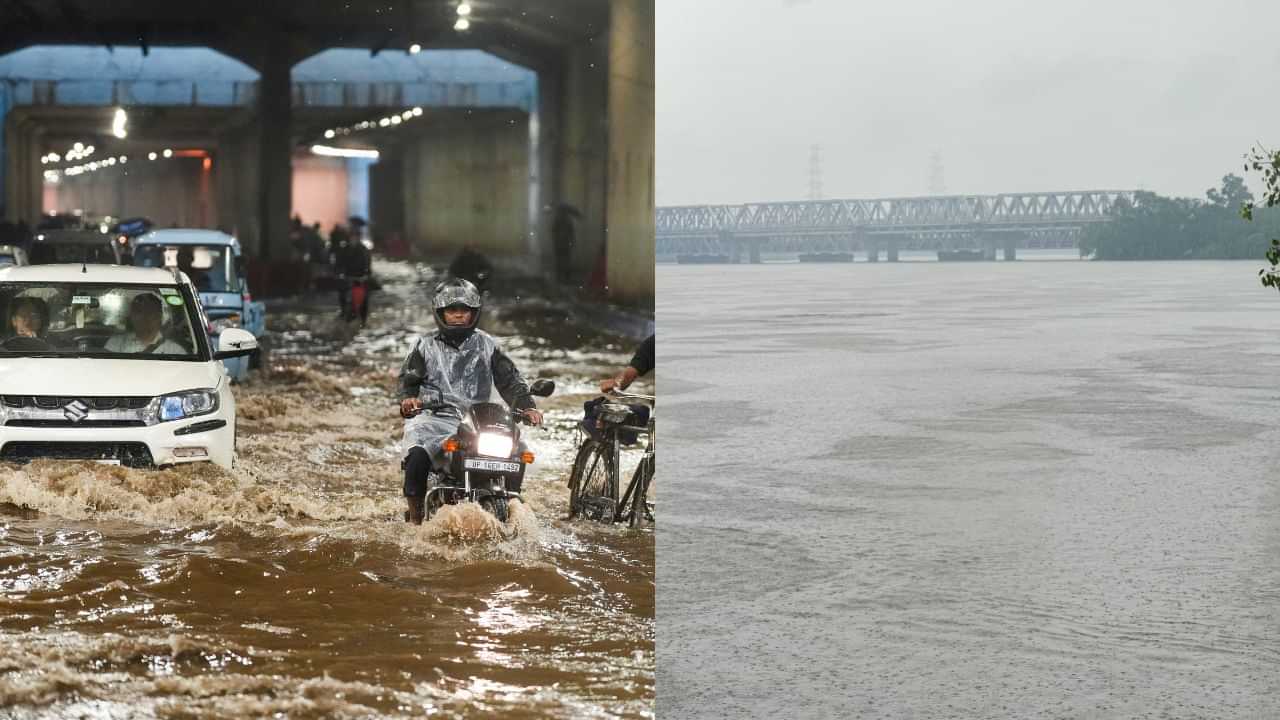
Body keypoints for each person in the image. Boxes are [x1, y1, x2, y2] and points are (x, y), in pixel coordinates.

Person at [397, 278, 544, 524]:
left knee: (518, 451)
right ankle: (415, 518)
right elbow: (408, 379)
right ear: (441, 313)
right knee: (417, 457)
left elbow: (510, 380)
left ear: (473, 313)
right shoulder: (424, 345)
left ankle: (512, 500)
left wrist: (527, 407)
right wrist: (409, 399)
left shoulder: (488, 344)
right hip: (434, 419)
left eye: (464, 311)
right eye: (452, 310)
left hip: (477, 420)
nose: (458, 316)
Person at [105, 294, 186, 355]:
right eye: (139, 312)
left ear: (159, 316)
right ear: (131, 316)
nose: (144, 317)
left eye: (150, 312)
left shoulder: (175, 351)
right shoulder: (115, 343)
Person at [551, 203, 580, 285]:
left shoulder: (562, 220)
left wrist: (571, 241)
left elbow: (554, 231)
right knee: (563, 260)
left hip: (562, 243)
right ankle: (563, 277)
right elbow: (554, 231)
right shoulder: (563, 221)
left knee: (563, 260)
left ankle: (563, 277)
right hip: (562, 243)